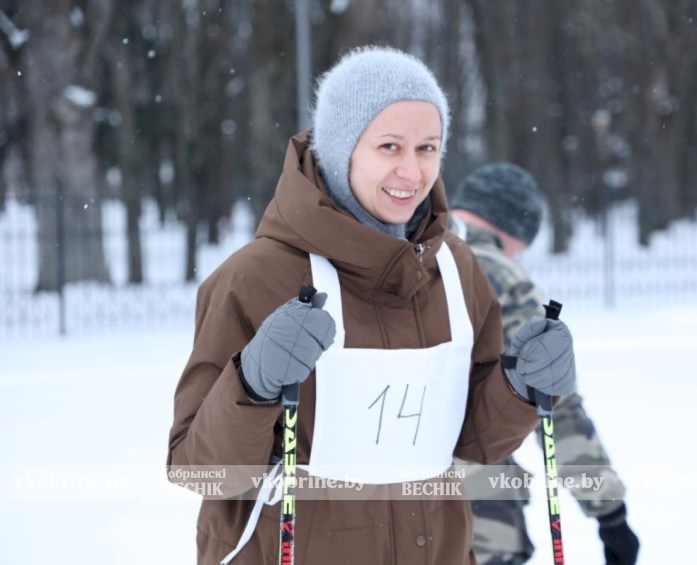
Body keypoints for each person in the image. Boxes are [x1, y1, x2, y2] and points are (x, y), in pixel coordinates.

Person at [166, 46, 578, 565]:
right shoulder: (255, 278)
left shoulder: (456, 270)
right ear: (343, 149)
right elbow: (199, 470)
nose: (412, 170)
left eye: (427, 148)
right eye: (389, 146)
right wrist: (251, 383)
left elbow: (473, 441)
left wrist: (520, 387)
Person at [450, 163, 640, 565]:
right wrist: (609, 512)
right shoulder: (497, 274)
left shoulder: (409, 249)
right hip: (472, 494)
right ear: (511, 226)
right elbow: (552, 400)